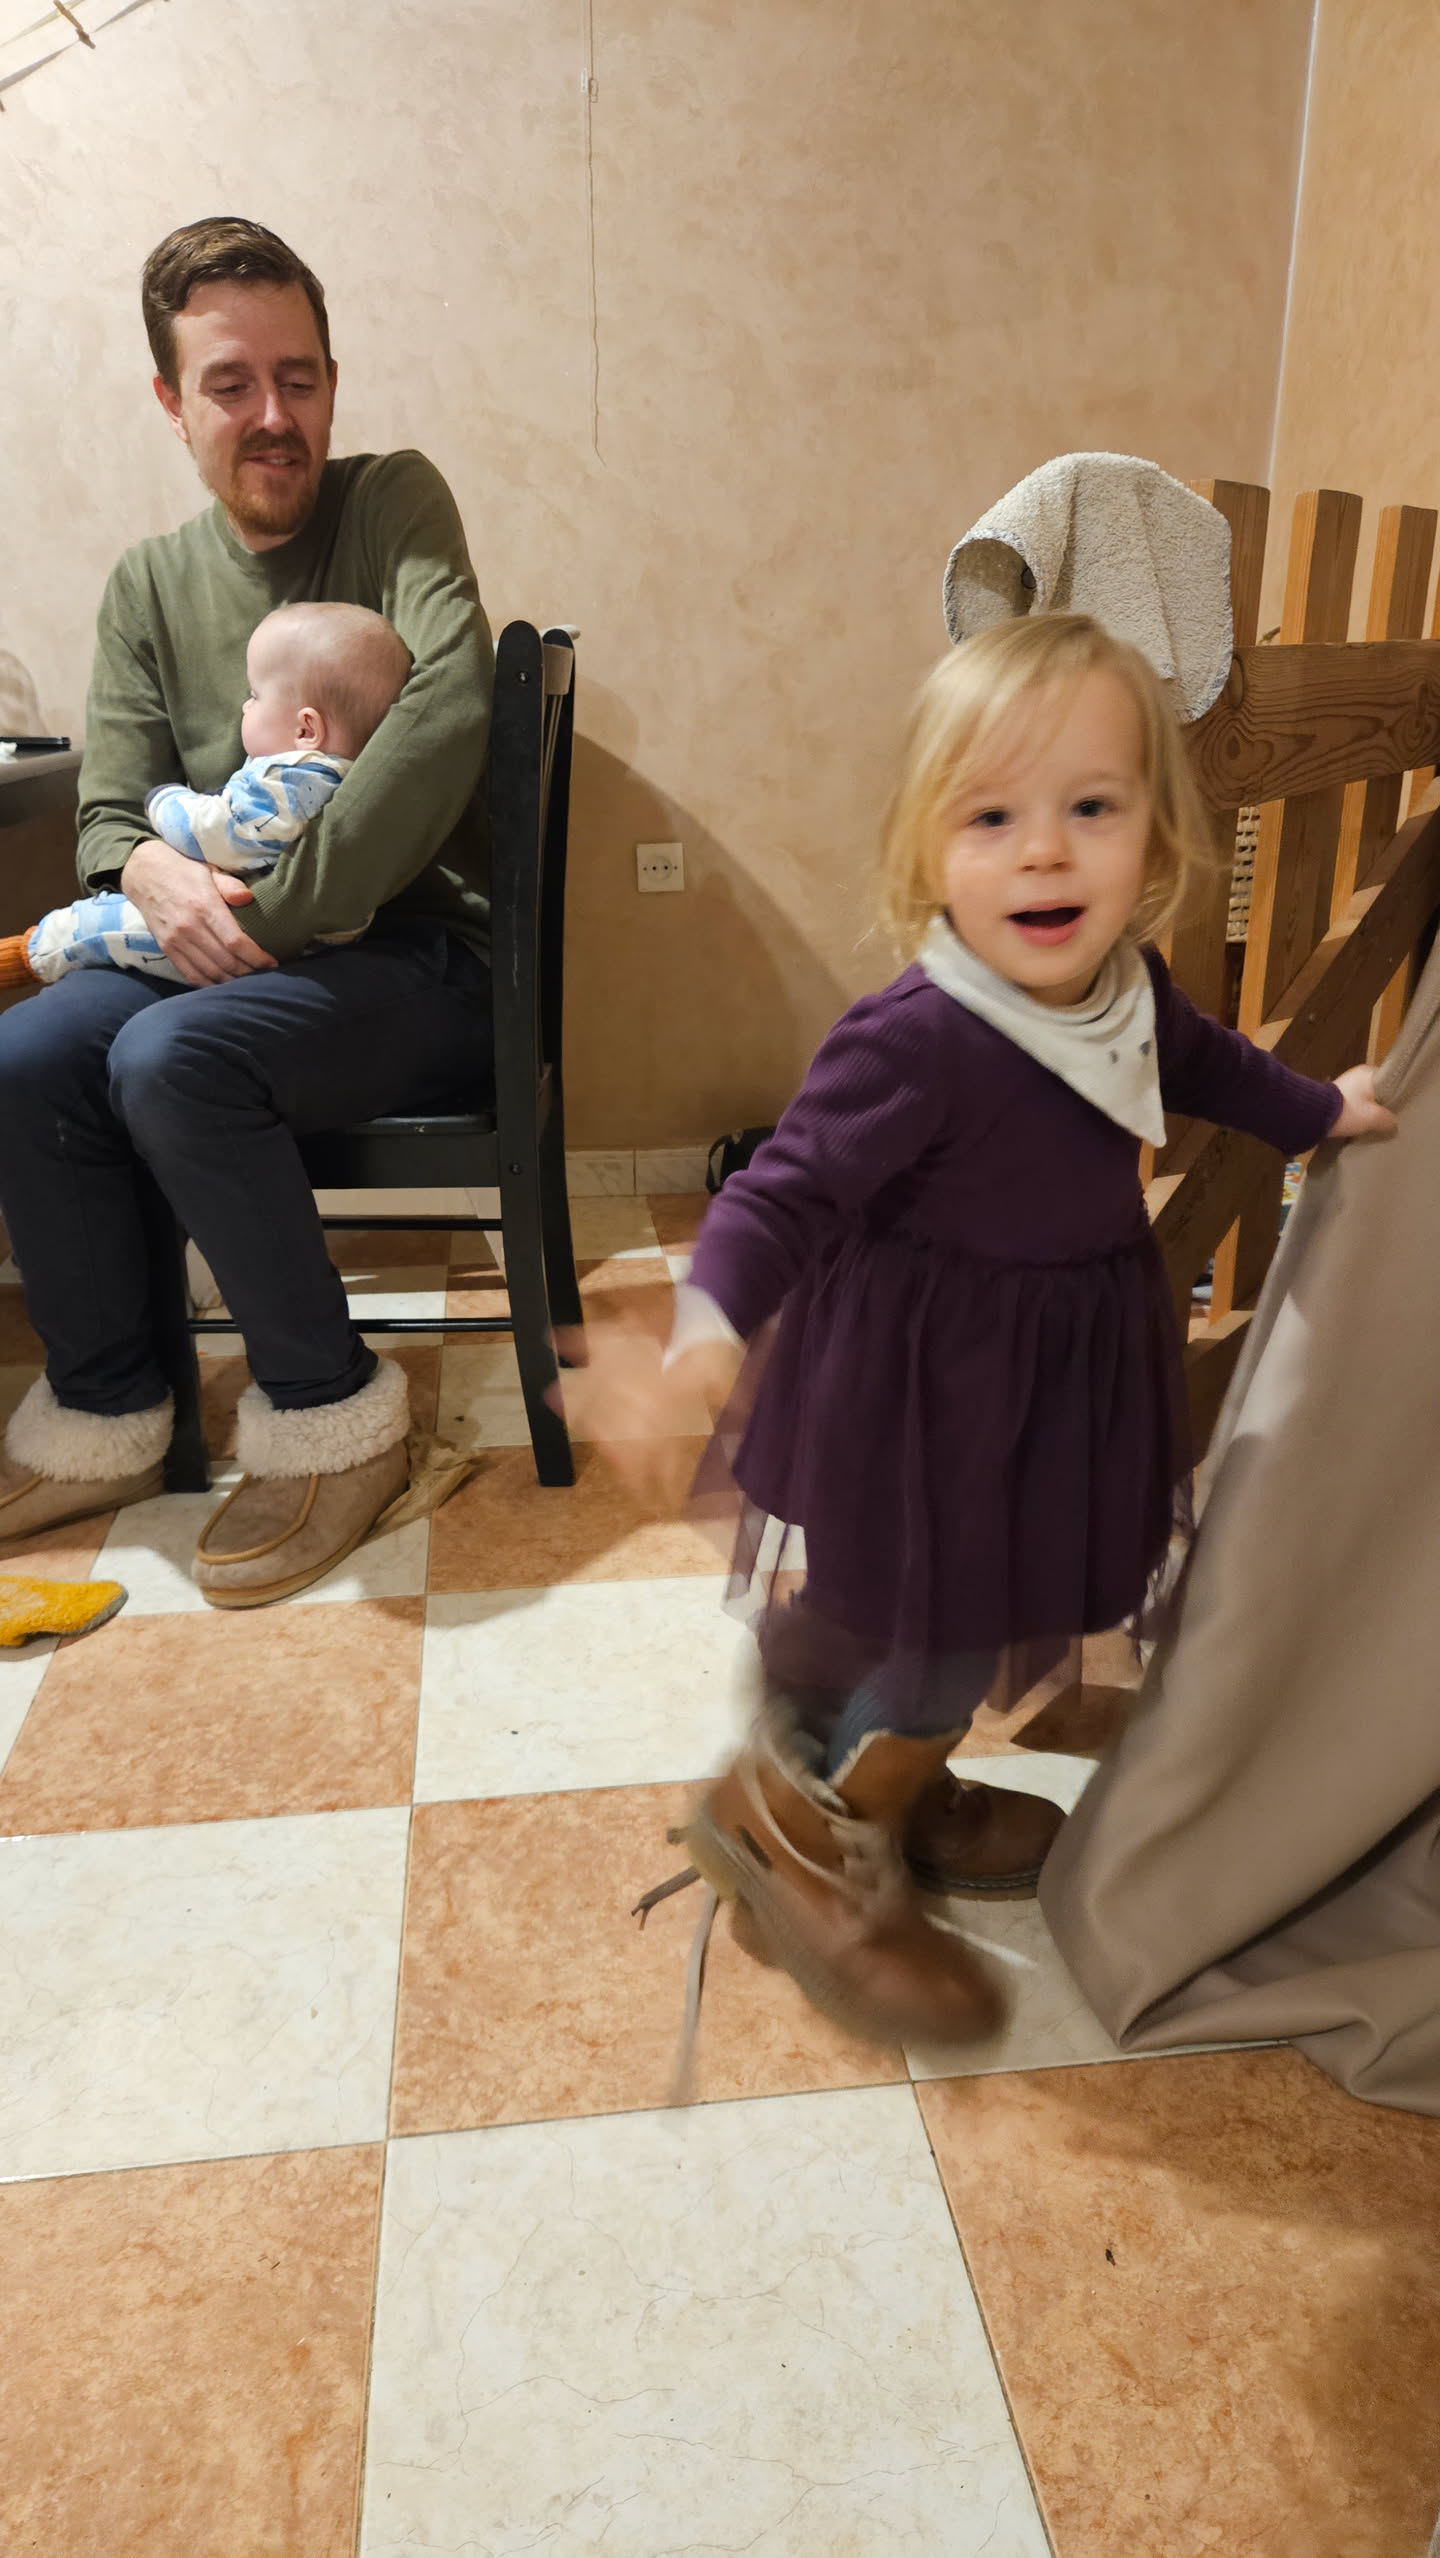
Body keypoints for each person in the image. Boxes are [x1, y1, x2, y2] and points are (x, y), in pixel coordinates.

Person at [568, 610, 1395, 2053]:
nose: (1045, 852)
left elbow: (1212, 1067)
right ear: (928, 848)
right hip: (920, 1398)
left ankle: (876, 1781)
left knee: (928, 1615)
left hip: (1045, 1381)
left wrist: (1325, 1108)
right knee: (940, 1635)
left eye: (1093, 807)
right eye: (992, 815)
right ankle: (803, 1837)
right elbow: (781, 1190)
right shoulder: (919, 1035)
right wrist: (704, 1322)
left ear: (1156, 834)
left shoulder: (1129, 990)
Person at [0, 218, 494, 1605]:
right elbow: (110, 814)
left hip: (415, 960)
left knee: (173, 1059)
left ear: (332, 381)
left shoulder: (394, 499)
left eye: (301, 377)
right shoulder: (148, 584)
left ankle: (336, 1417)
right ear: (173, 400)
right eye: (231, 384)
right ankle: (106, 1410)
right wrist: (157, 881)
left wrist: (267, 922)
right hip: (217, 959)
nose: (275, 415)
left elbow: (450, 704)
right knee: (26, 1054)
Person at [0, 601, 411, 989]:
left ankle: (27, 955)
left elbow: (215, 832)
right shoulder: (350, 777)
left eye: (255, 696)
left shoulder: (292, 780)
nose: (244, 707)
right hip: (299, 940)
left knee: (100, 924)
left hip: (237, 931)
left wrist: (164, 799)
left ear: (306, 729)